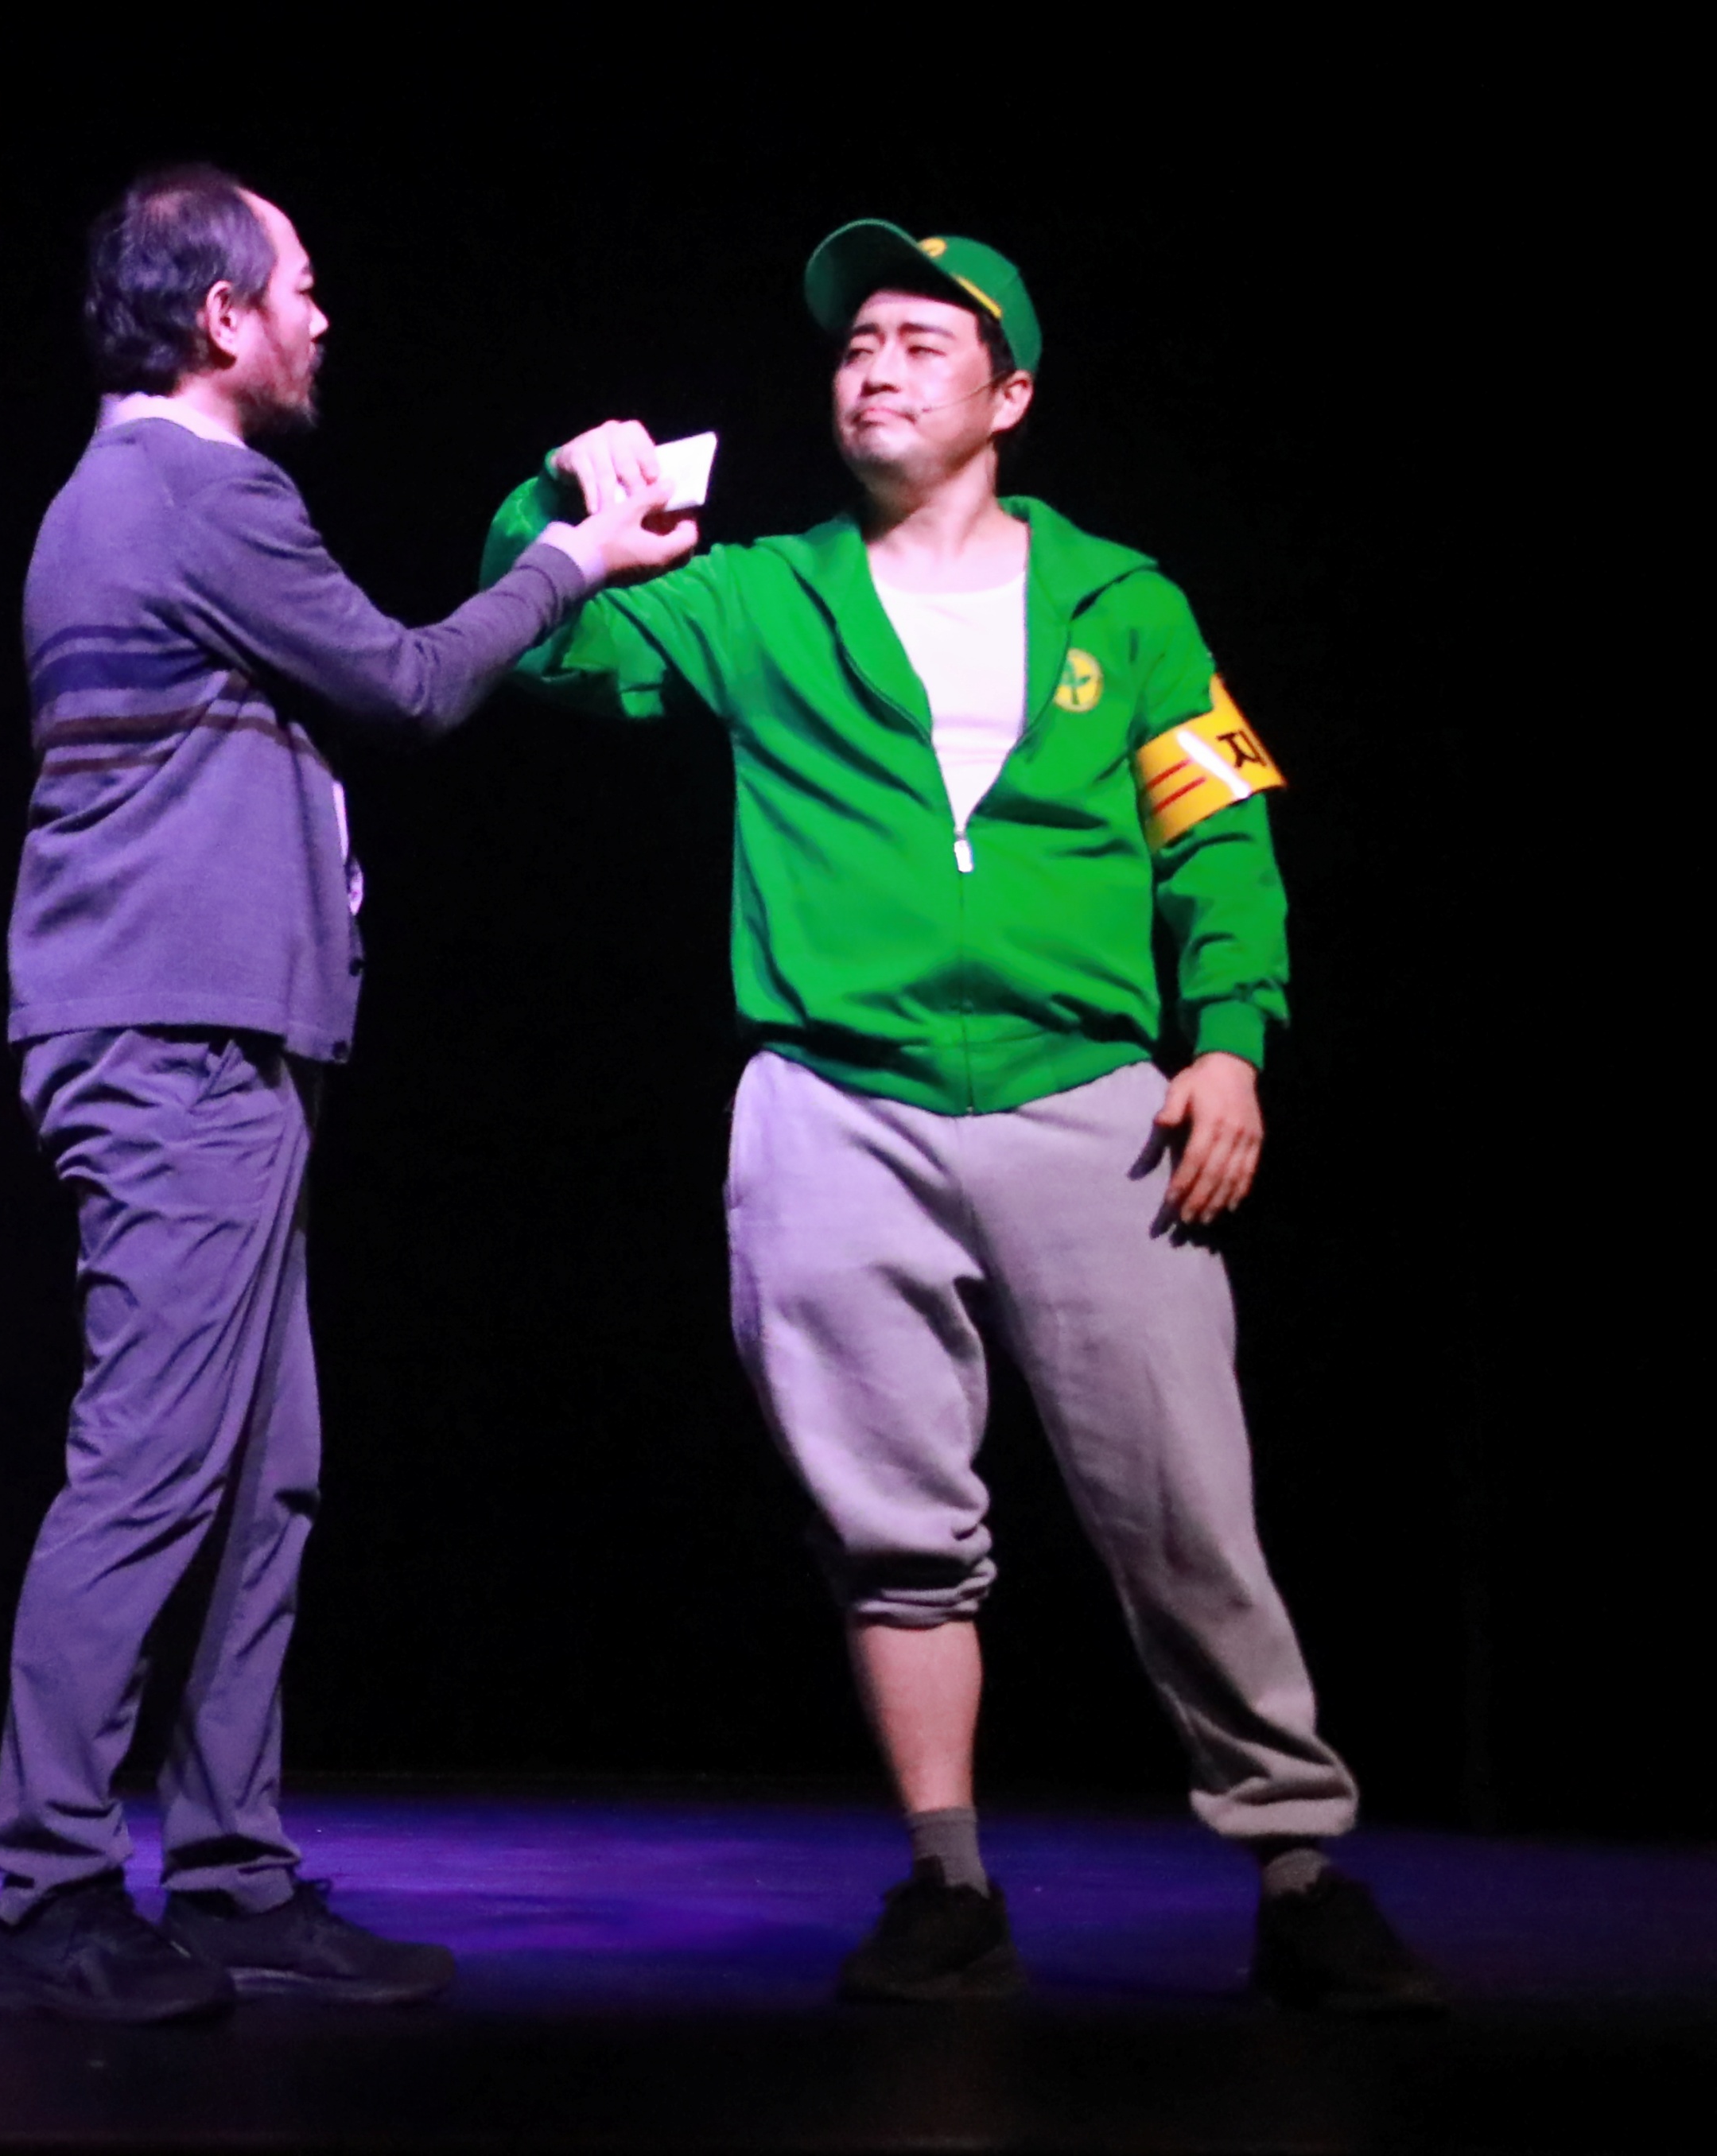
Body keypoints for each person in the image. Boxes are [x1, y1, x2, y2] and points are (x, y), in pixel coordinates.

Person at [486, 222, 1440, 2014]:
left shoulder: (1122, 603)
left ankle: (1296, 1863)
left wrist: (1230, 1043)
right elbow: (540, 653)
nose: (874, 364)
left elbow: (1216, 830)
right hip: (830, 1103)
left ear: (1007, 395)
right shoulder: (762, 595)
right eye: (855, 341)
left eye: (921, 340)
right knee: (886, 1519)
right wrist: (553, 509)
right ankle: (945, 1880)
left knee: (1183, 1505)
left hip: (1088, 1105)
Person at [0, 167, 701, 2027]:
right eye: (296, 282)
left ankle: (227, 1870)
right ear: (219, 314)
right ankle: (48, 1894)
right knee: (150, 1463)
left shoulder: (131, 495)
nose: (319, 312)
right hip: (172, 1037)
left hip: (215, 1035)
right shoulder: (194, 488)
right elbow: (409, 682)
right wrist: (572, 562)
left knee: (259, 1469)